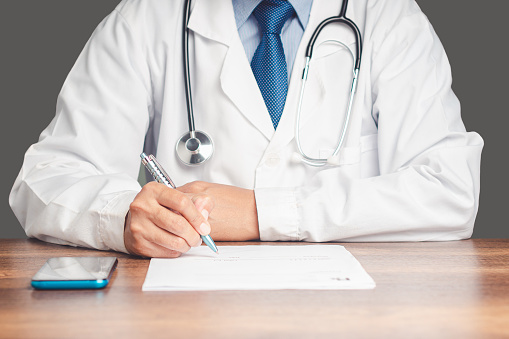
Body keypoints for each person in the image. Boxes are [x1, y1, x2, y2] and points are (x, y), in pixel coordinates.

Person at [9, 0, 483, 258]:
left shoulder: (389, 16)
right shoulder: (147, 17)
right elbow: (45, 179)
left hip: (357, 319)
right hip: (189, 322)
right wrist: (121, 214)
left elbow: (450, 191)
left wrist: (261, 213)